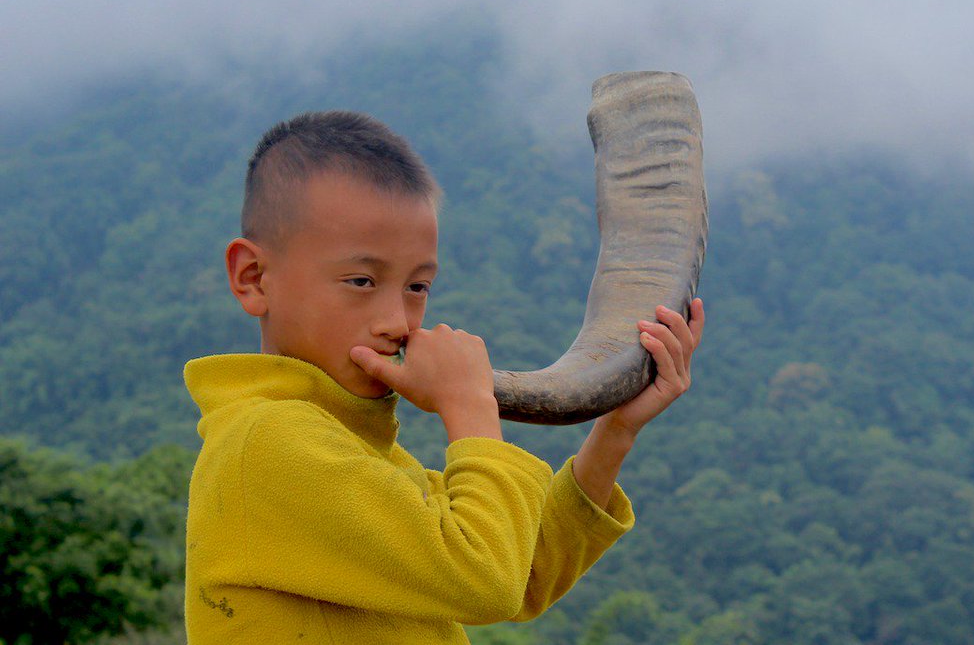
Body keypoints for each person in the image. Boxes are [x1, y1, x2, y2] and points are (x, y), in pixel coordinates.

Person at [183, 110, 705, 643]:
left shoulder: (356, 452)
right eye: (362, 280)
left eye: (418, 287)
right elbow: (486, 579)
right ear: (253, 278)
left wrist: (615, 430)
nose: (397, 322)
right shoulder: (269, 444)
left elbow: (521, 573)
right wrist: (469, 406)